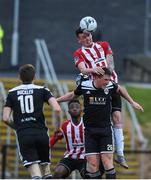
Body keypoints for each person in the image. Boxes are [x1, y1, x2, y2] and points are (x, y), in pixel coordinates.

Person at [57, 67, 144, 179]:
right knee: (92, 164)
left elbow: (120, 89)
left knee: (107, 161)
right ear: (97, 77)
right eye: (105, 79)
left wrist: (132, 102)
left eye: (109, 80)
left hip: (105, 130)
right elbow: (72, 95)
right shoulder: (85, 85)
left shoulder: (110, 86)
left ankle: (120, 155)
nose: (108, 82)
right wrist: (57, 100)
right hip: (89, 131)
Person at [73, 27, 128, 168]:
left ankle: (120, 154)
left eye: (88, 35)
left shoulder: (104, 45)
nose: (87, 38)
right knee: (99, 119)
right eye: (83, 37)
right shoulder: (78, 53)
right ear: (78, 40)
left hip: (110, 85)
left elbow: (111, 63)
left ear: (91, 34)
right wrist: (93, 70)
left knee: (117, 117)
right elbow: (83, 69)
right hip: (96, 89)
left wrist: (106, 74)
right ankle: (97, 152)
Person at [3, 64, 62, 179]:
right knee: (46, 172)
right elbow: (57, 109)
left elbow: (5, 118)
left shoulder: (12, 93)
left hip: (24, 134)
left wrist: (18, 127)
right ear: (34, 77)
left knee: (36, 175)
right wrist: (57, 128)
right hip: (41, 133)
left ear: (19, 77)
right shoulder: (43, 90)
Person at [50, 99, 105, 179]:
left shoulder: (88, 123)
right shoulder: (64, 126)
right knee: (57, 173)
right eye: (72, 107)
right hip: (69, 157)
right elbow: (55, 138)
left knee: (88, 175)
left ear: (81, 109)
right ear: (68, 111)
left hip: (85, 157)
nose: (75, 109)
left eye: (77, 107)